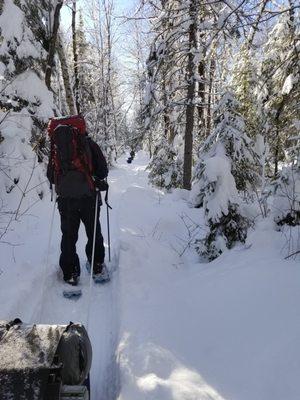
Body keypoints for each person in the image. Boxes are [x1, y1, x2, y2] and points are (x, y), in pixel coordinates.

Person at [47, 126, 108, 286]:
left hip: (66, 200)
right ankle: (97, 266)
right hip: (89, 197)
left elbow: (51, 177)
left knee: (68, 236)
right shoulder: (89, 144)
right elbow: (102, 171)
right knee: (94, 232)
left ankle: (70, 273)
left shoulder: (56, 147)